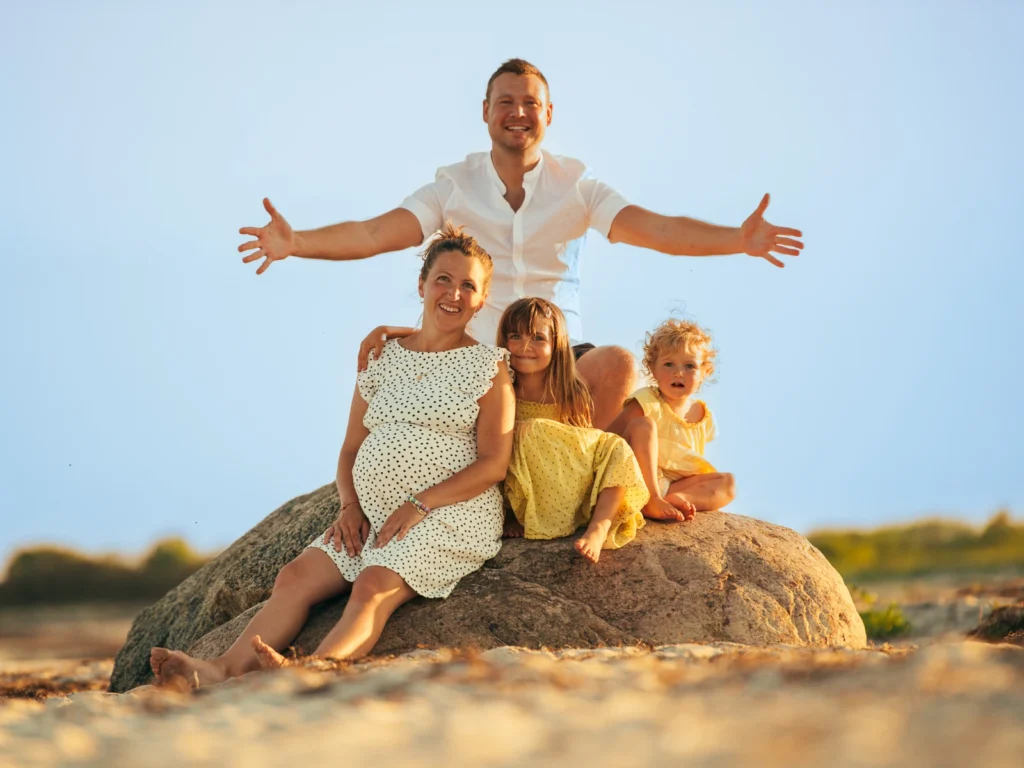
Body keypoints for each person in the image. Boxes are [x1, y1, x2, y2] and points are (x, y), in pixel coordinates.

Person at [236, 58, 804, 429]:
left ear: (548, 114)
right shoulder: (453, 185)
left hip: (559, 364)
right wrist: (296, 242)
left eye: (530, 103)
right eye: (505, 102)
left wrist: (739, 239)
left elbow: (657, 230)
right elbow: (373, 233)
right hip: (477, 360)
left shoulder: (577, 187)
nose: (518, 113)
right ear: (485, 112)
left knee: (619, 366)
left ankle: (571, 467)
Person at [149, 225, 514, 687]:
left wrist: (419, 504)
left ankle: (313, 672)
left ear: (481, 300)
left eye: (468, 286)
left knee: (373, 585)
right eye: (443, 279)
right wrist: (350, 506)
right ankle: (216, 668)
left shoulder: (489, 366)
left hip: (447, 513)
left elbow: (492, 463)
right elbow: (350, 448)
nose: (454, 294)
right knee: (296, 576)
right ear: (421, 285)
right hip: (375, 513)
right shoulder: (382, 356)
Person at [497, 298, 648, 564]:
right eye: (515, 336)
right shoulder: (501, 386)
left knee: (614, 446)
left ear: (556, 344)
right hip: (521, 477)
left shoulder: (570, 390)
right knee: (521, 434)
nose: (525, 347)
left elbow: (579, 443)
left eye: (537, 338)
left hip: (562, 478)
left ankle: (599, 527)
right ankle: (513, 513)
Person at [608, 319, 735, 523]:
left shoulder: (703, 416)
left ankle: (677, 500)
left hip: (674, 485)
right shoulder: (646, 401)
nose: (679, 373)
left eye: (689, 366)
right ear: (653, 368)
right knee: (643, 425)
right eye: (669, 364)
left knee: (728, 483)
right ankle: (651, 499)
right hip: (639, 480)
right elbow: (608, 438)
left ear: (705, 372)